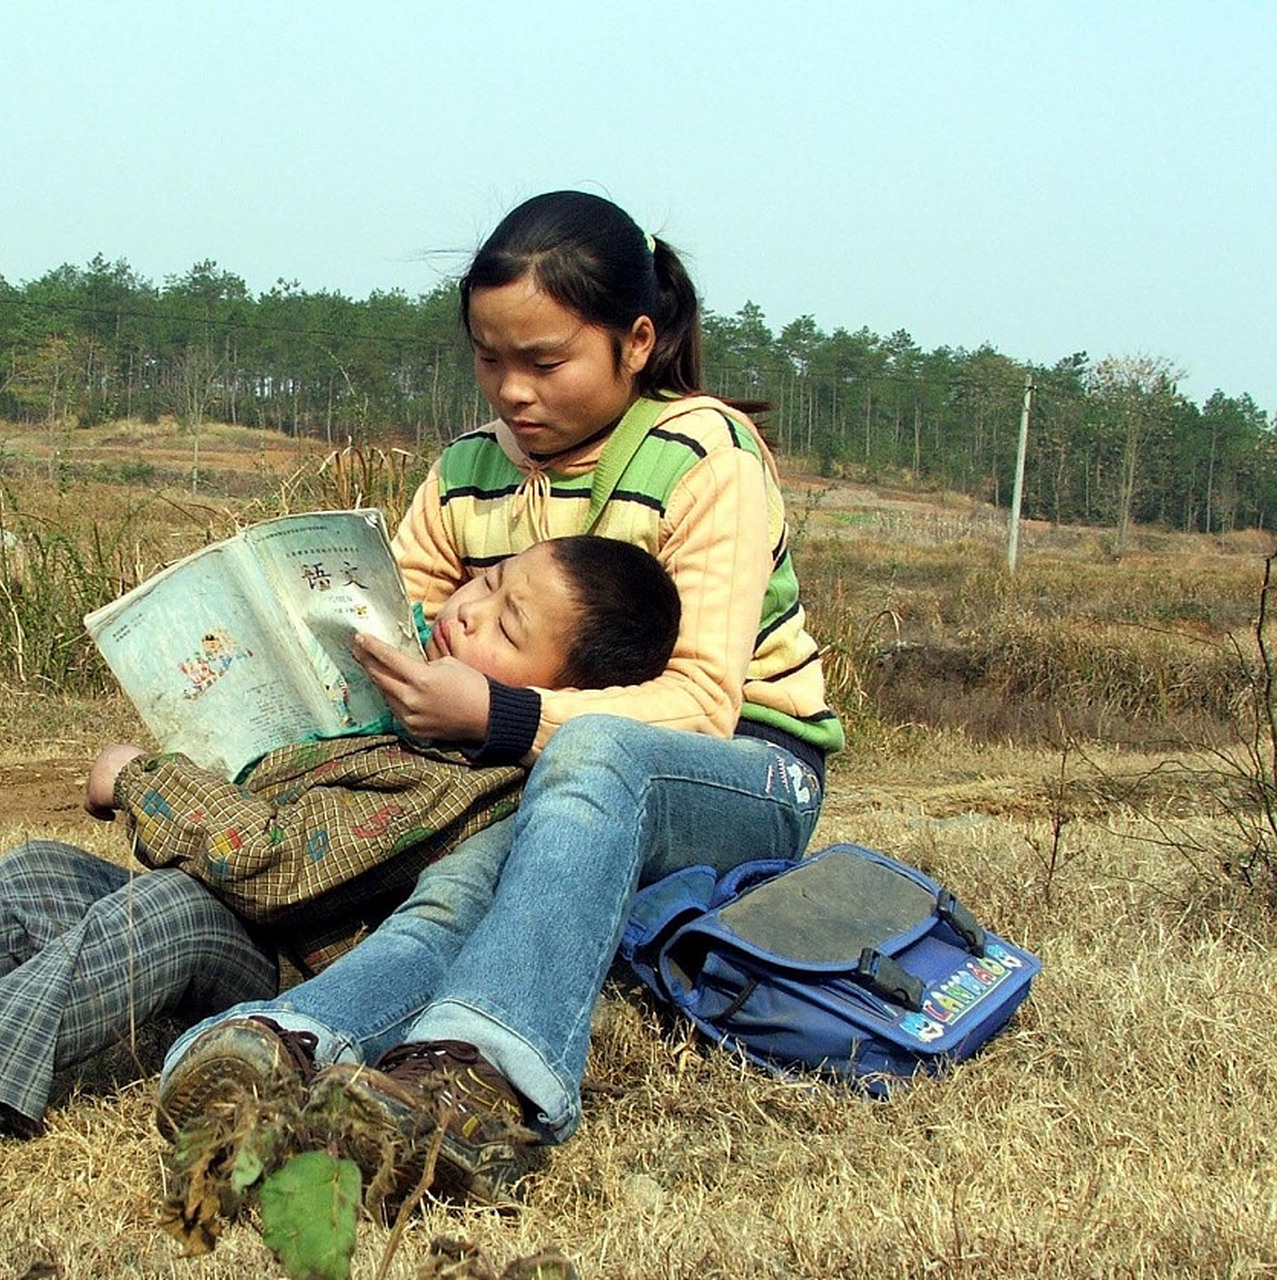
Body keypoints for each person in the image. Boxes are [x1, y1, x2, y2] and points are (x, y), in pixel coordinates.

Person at [158, 190, 844, 1207]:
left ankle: (488, 1083)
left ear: (635, 340)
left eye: (544, 359)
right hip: (544, 770)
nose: (512, 390)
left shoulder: (704, 454)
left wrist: (498, 715)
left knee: (596, 748)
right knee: (463, 875)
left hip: (744, 767)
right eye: (489, 359)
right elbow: (391, 619)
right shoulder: (466, 471)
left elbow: (701, 700)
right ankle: (287, 1043)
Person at [0, 534, 680, 1178]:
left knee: (168, 911)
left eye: (506, 624)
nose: (466, 609)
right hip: (237, 905)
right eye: (487, 581)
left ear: (556, 691)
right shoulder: (393, 720)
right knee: (38, 873)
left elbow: (268, 864)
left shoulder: (466, 779)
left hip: (283, 965)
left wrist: (144, 777)